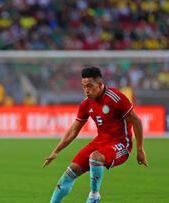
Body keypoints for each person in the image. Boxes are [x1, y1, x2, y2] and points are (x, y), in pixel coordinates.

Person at [42, 67, 148, 203]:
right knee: (69, 173)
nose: (86, 90)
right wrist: (56, 151)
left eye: (89, 86)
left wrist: (140, 149)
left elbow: (137, 121)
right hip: (100, 142)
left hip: (121, 144)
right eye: (84, 86)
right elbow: (73, 131)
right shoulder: (86, 104)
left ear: (100, 84)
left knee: (95, 157)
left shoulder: (116, 98)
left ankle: (94, 195)